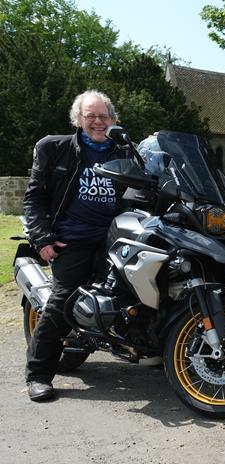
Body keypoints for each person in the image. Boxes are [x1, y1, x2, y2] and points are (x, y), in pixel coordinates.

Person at [23, 90, 131, 402]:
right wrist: (41, 238)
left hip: (116, 236)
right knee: (63, 301)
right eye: (90, 116)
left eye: (103, 116)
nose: (98, 121)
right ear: (78, 120)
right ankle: (39, 375)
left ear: (112, 119)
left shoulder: (124, 150)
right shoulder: (55, 148)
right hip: (73, 238)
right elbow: (35, 196)